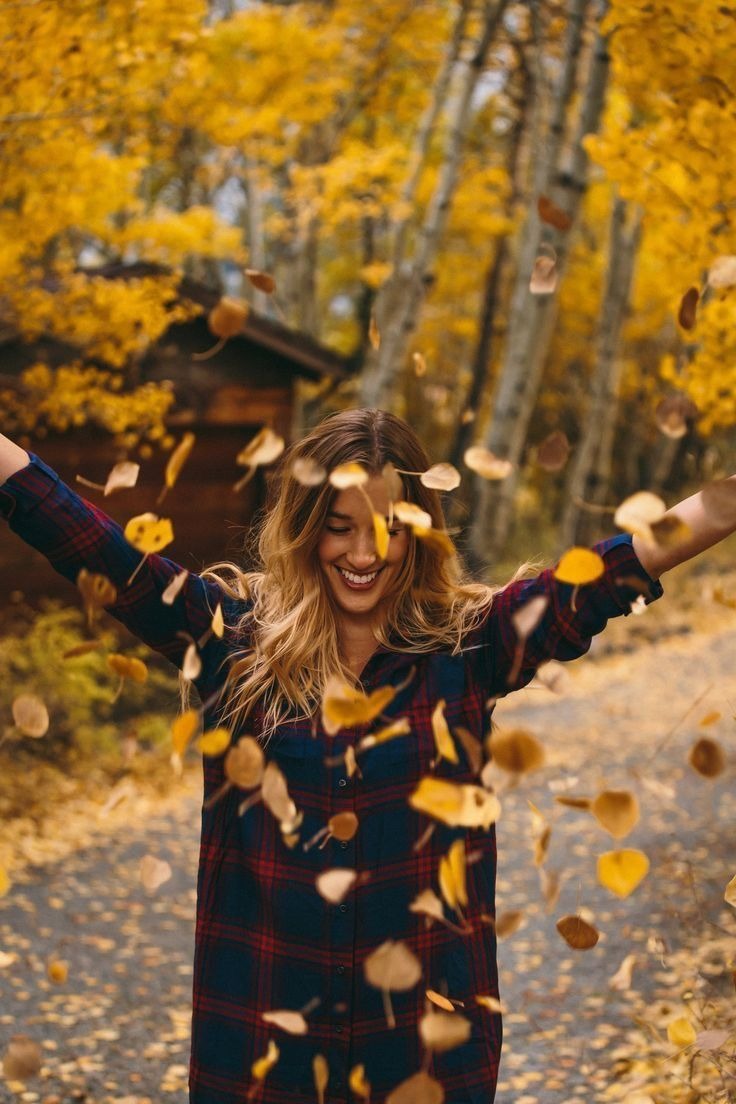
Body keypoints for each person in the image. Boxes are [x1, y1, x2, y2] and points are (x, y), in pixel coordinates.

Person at [0, 409, 734, 1104]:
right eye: (339, 528)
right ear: (305, 528)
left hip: (424, 1058)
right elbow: (92, 544)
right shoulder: (232, 642)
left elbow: (613, 570)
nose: (362, 554)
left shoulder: (471, 646)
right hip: (260, 1050)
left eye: (386, 529)